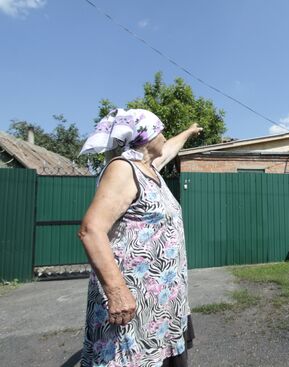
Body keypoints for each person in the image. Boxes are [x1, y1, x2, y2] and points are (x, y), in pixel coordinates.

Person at [78, 108, 202, 367]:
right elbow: (91, 230)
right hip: (132, 302)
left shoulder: (149, 168)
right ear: (145, 137)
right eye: (160, 130)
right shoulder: (123, 169)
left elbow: (170, 149)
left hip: (158, 305)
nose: (165, 136)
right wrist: (117, 292)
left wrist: (190, 131)